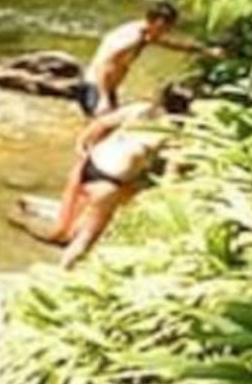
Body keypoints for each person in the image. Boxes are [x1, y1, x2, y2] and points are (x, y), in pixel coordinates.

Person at [47, 84, 192, 266]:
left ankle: (68, 238)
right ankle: (64, 274)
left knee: (88, 215)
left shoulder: (140, 109)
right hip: (110, 182)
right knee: (86, 239)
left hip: (90, 164)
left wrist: (83, 144)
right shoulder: (174, 134)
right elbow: (171, 178)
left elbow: (100, 124)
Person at [78, 0, 204, 117]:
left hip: (107, 88)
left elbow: (169, 44)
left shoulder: (145, 33)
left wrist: (202, 50)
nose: (167, 31)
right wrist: (103, 98)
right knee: (100, 124)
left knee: (106, 126)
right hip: (95, 87)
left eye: (169, 27)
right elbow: (103, 65)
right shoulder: (132, 37)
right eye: (164, 27)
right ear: (154, 22)